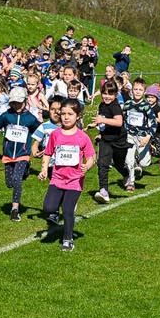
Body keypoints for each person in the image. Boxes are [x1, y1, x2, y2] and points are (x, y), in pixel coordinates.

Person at [39, 101, 95, 252]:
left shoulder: (82, 137)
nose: (66, 117)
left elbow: (91, 156)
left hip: (75, 180)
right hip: (57, 178)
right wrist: (44, 169)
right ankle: (60, 207)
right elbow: (48, 153)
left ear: (78, 116)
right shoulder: (55, 134)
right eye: (63, 113)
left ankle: (68, 239)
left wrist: (87, 166)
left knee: (68, 210)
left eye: (70, 114)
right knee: (48, 207)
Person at [0, 86, 38, 222]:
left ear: (25, 101)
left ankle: (15, 210)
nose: (16, 106)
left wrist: (39, 146)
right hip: (8, 154)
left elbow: (40, 132)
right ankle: (25, 171)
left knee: (16, 179)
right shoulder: (6, 116)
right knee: (9, 183)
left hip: (23, 154)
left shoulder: (30, 119)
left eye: (19, 103)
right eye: (13, 103)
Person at [91, 80, 132, 201]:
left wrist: (102, 120)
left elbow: (119, 122)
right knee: (102, 164)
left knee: (119, 164)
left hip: (119, 140)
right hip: (106, 139)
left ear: (115, 95)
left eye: (110, 94)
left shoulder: (115, 106)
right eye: (105, 93)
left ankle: (126, 174)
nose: (107, 96)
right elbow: (102, 120)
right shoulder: (102, 105)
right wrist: (96, 126)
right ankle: (103, 191)